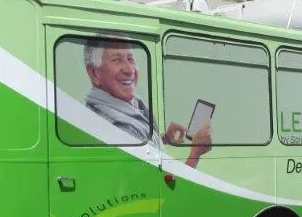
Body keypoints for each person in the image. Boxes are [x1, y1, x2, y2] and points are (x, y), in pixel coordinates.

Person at [83, 40, 212, 168]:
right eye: (116, 60)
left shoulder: (124, 109)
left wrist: (164, 139)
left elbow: (140, 148)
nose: (129, 69)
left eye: (130, 59)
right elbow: (163, 184)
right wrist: (196, 152)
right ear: (94, 73)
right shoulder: (119, 126)